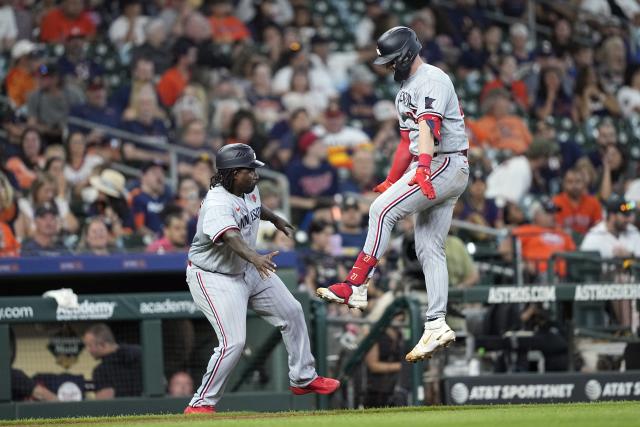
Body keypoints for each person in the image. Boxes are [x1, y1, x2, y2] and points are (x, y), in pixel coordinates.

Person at [316, 26, 470, 363]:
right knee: (429, 247)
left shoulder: (432, 79)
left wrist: (425, 169)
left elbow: (429, 128)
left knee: (380, 211)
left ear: (405, 55)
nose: (387, 67)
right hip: (439, 163)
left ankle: (356, 284)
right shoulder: (404, 90)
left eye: (390, 61)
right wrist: (391, 178)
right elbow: (406, 141)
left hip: (443, 160)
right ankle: (436, 323)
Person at [184, 143, 339, 414]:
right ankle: (201, 403)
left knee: (292, 311)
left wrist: (275, 218)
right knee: (233, 342)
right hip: (214, 276)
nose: (256, 175)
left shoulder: (247, 188)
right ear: (232, 173)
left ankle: (303, 378)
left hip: (246, 268)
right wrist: (256, 258)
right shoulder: (217, 203)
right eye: (250, 170)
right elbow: (231, 237)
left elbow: (255, 207)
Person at [82, 323, 142, 399]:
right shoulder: (140, 353)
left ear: (103, 345)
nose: (87, 350)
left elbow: (104, 404)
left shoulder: (101, 371)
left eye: (90, 345)